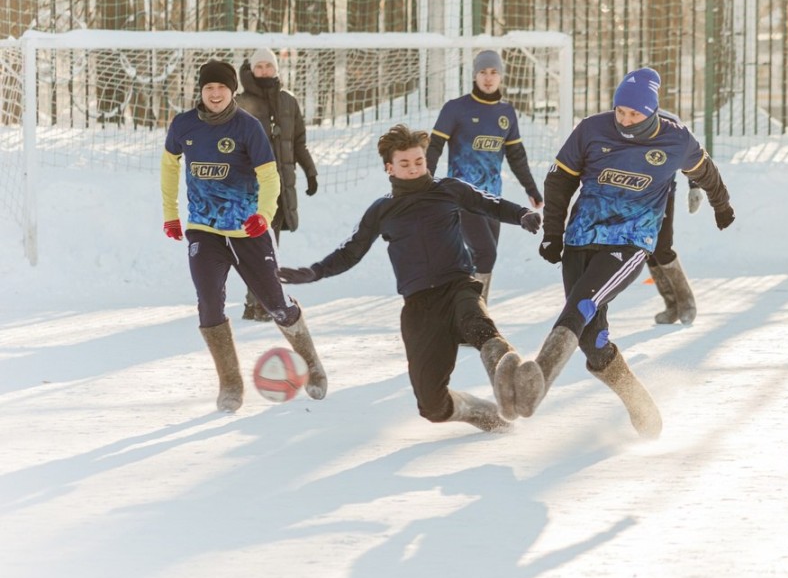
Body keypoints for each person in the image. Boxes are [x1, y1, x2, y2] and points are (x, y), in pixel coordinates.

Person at [511, 67, 735, 438]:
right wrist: (553, 233)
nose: (626, 120)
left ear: (652, 112)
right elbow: (560, 179)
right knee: (591, 341)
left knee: (581, 306)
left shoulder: (676, 139)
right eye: (621, 112)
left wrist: (721, 204)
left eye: (635, 114)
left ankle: (539, 378)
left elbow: (706, 171)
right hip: (581, 237)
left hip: (630, 241)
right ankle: (637, 399)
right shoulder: (591, 130)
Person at [277, 124, 543, 433]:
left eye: (419, 161)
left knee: (477, 324)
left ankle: (507, 377)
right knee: (432, 407)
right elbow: (351, 251)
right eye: (405, 163)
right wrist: (315, 271)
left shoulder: (449, 189)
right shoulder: (382, 210)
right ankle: (481, 412)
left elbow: (489, 203)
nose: (414, 168)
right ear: (389, 167)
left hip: (458, 287)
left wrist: (521, 214)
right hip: (419, 307)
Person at [161, 58, 328, 412]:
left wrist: (263, 216)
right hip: (203, 230)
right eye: (209, 88)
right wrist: (171, 216)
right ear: (201, 91)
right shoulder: (183, 126)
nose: (215, 93)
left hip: (246, 230)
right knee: (208, 303)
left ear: (232, 90)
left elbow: (270, 177)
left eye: (222, 87)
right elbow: (169, 168)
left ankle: (312, 365)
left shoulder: (248, 127)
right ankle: (231, 383)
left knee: (276, 305)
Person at [426, 50, 543, 303]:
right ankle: (476, 318)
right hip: (462, 196)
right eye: (483, 72)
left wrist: (531, 189)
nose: (488, 78)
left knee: (479, 257)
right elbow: (434, 147)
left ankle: (462, 311)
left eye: (493, 72)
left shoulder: (506, 113)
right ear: (474, 75)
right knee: (486, 253)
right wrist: (425, 182)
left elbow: (516, 155)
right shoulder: (456, 109)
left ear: (501, 76)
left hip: (492, 200)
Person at [235, 48, 318, 322]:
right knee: (257, 246)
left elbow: (297, 142)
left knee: (269, 247)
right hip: (252, 188)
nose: (264, 71)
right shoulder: (240, 101)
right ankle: (256, 304)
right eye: (259, 66)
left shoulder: (287, 100)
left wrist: (311, 172)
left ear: (276, 69)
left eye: (268, 66)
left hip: (281, 189)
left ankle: (259, 303)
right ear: (251, 69)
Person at [647, 173, 702, 325]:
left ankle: (686, 302)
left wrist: (694, 185)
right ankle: (672, 305)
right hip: (632, 192)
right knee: (645, 248)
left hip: (662, 190)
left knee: (661, 247)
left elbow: (687, 151)